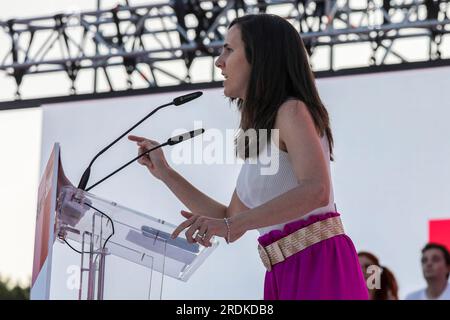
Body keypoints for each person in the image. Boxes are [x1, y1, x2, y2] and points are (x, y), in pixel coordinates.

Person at [128, 13, 368, 300]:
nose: (219, 61)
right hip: (281, 273)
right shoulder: (262, 136)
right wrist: (165, 173)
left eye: (229, 50)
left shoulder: (291, 110)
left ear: (261, 57)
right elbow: (230, 219)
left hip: (319, 266)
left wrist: (231, 225)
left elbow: (316, 190)